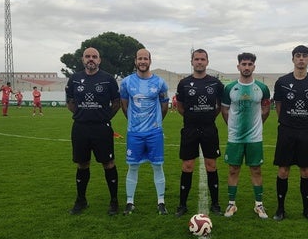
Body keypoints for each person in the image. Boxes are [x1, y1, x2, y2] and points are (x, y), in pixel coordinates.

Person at [65, 47, 121, 215]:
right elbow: (70, 102)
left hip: (102, 128)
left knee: (108, 163)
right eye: (87, 56)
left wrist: (103, 116)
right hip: (80, 128)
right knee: (82, 164)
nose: (91, 59)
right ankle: (81, 201)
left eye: (94, 57)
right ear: (83, 60)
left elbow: (116, 102)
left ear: (99, 60)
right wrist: (82, 114)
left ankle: (114, 202)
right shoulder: (74, 79)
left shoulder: (108, 79)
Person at [272, 45, 308, 223]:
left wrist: (304, 120)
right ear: (293, 59)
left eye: (305, 56)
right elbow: (278, 106)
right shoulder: (282, 82)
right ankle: (280, 209)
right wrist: (288, 121)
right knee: (283, 170)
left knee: (306, 171)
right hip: (286, 131)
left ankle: (307, 209)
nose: (301, 59)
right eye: (298, 56)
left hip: (306, 132)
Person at [174, 48, 224, 217]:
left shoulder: (215, 84)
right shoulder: (184, 83)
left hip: (209, 129)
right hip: (189, 129)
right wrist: (191, 117)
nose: (200, 62)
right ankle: (182, 204)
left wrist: (209, 117)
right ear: (192, 62)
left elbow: (220, 105)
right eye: (197, 59)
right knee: (188, 165)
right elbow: (180, 106)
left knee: (211, 165)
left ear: (207, 62)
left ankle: (215, 204)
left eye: (203, 59)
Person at [120, 48, 170, 215]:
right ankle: (129, 202)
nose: (142, 61)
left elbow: (164, 105)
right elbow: (124, 105)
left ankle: (161, 202)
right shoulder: (126, 82)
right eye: (139, 59)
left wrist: (156, 123)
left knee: (158, 166)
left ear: (150, 61)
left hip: (154, 133)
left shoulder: (160, 83)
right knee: (132, 166)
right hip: (134, 133)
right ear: (135, 61)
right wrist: (134, 122)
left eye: (145, 59)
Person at [221, 52, 270, 219]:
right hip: (235, 137)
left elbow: (265, 109)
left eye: (250, 64)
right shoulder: (229, 88)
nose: (247, 67)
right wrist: (233, 126)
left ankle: (259, 205)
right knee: (233, 169)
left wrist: (257, 125)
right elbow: (225, 110)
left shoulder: (262, 88)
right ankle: (232, 204)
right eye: (244, 64)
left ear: (254, 67)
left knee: (256, 169)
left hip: (255, 138)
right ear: (238, 66)